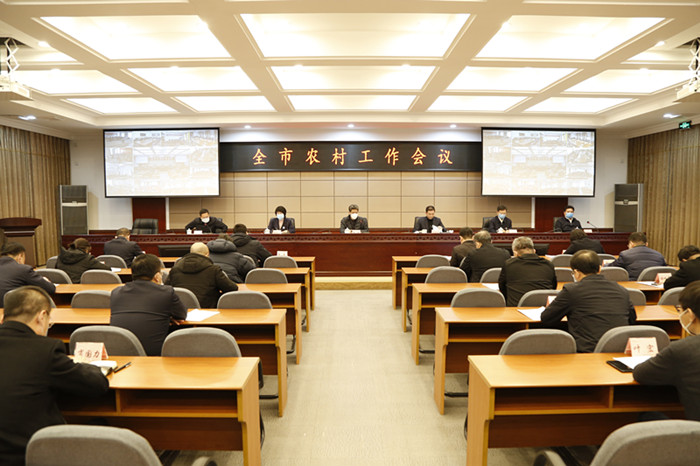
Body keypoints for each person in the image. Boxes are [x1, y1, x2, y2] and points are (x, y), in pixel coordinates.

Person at [0, 286, 109, 466]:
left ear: (3, 318)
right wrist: (88, 366)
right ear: (42, 316)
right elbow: (97, 385)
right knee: (101, 424)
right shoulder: (44, 350)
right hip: (29, 455)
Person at [541, 250, 637, 353]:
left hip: (588, 352)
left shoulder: (571, 290)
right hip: (619, 351)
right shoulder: (621, 290)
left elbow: (547, 318)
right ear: (599, 269)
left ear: (576, 273)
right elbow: (632, 319)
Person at [633, 281, 700, 421]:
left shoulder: (683, 349)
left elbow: (641, 374)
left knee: (647, 415)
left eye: (679, 310)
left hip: (695, 432)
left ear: (690, 314)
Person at [110, 254, 187, 356]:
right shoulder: (166, 292)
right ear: (157, 276)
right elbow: (181, 315)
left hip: (118, 353)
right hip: (152, 355)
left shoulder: (116, 292)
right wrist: (168, 316)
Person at [165, 242, 238, 308]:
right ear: (207, 254)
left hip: (181, 311)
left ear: (191, 253)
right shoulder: (213, 270)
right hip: (208, 311)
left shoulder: (175, 269)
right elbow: (232, 288)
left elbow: (166, 289)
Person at [499, 237, 557, 306]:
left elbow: (502, 288)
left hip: (516, 308)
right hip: (544, 308)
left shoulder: (509, 264)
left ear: (515, 253)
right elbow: (553, 287)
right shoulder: (548, 264)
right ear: (534, 251)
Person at [0, 243, 56, 307]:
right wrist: (45, 280)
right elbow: (50, 289)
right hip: (15, 310)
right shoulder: (23, 269)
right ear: (20, 256)